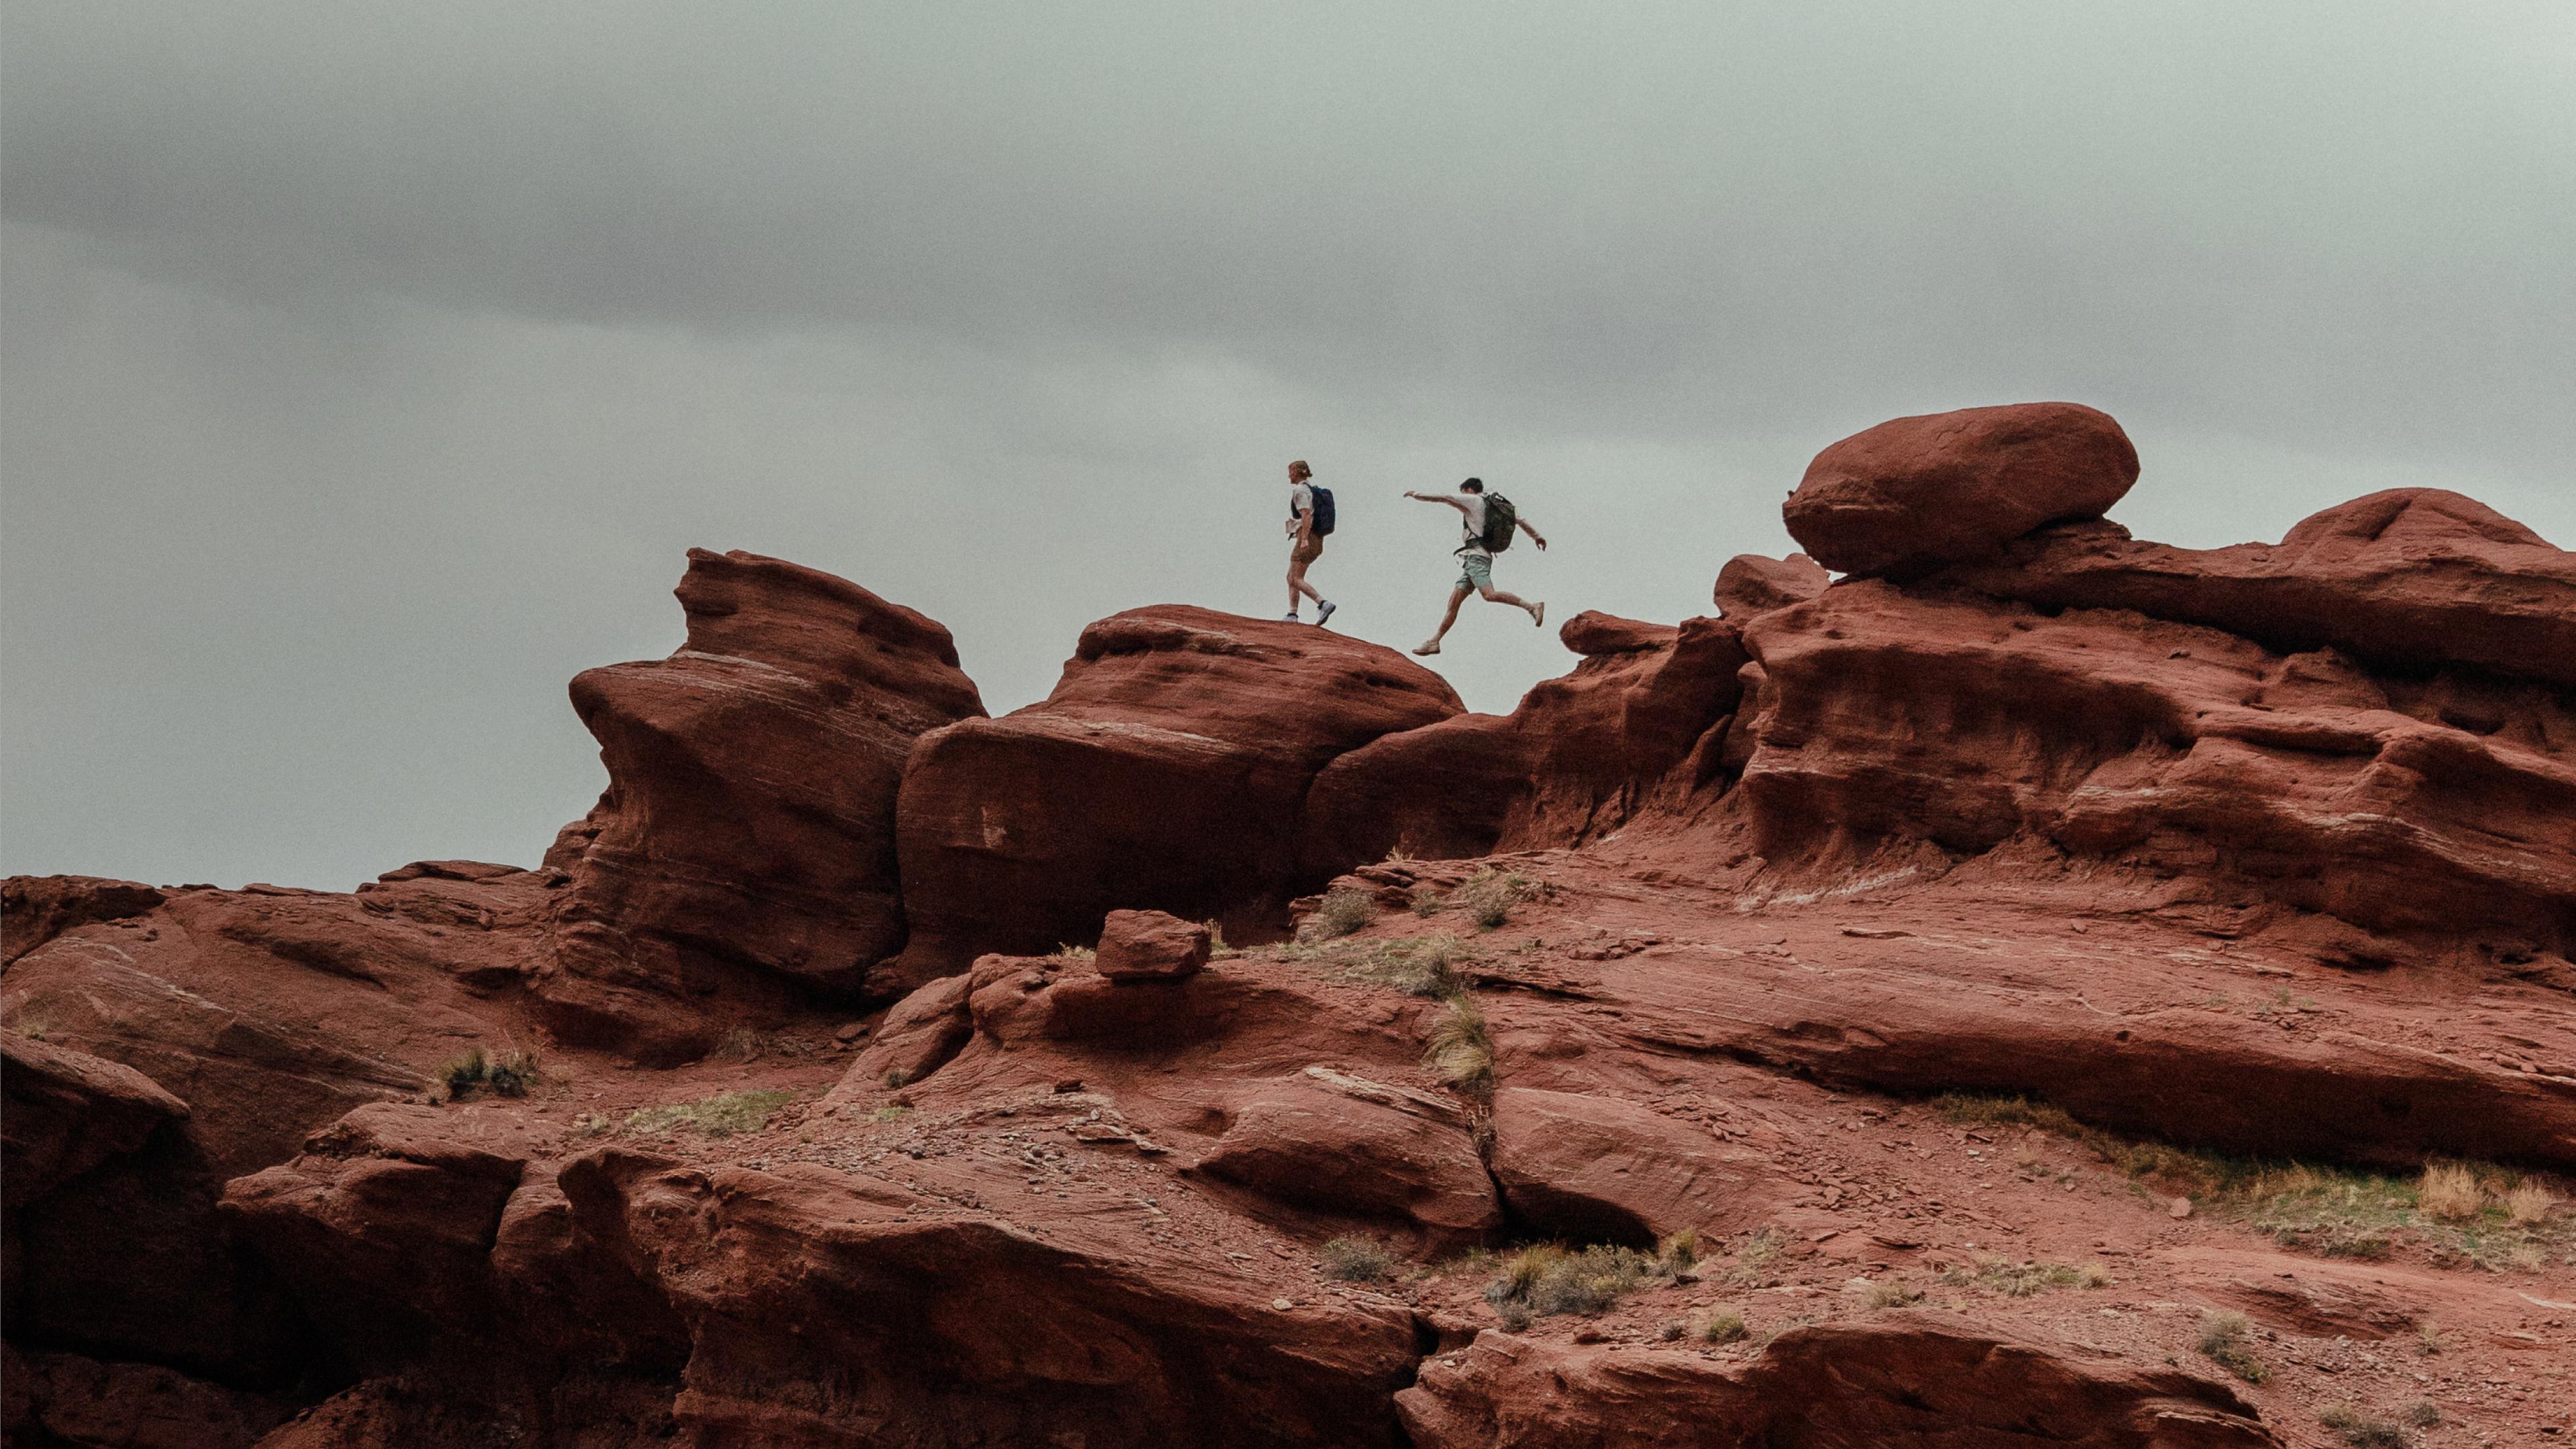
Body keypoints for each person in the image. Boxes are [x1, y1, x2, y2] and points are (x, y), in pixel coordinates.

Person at [1405, 478, 1546, 655]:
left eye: (1463, 492)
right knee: (1453, 603)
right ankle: (1434, 641)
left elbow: (1445, 497)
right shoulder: (1494, 506)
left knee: (1489, 594)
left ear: (1469, 490)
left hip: (1476, 558)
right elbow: (1520, 520)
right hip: (1474, 559)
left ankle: (1532, 607)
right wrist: (1537, 536)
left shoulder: (1474, 500)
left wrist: (1416, 495)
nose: (1461, 497)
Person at [1283, 460, 1336, 626]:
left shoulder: (1300, 491)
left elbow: (1307, 516)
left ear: (1297, 472)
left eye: (1291, 471)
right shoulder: (1310, 490)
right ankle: (1292, 614)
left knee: (1295, 578)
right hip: (1317, 539)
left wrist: (1304, 539)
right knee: (1292, 577)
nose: (1289, 475)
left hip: (1307, 538)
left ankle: (1322, 603)